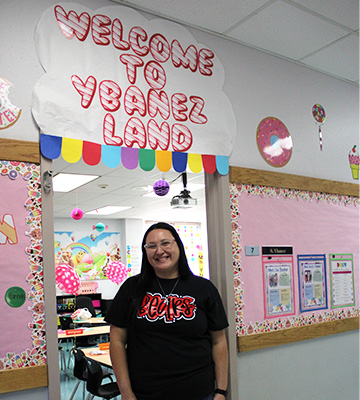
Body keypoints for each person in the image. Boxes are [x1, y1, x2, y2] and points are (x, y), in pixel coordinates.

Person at [105, 222, 229, 400]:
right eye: (151, 246)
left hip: (199, 392)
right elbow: (117, 341)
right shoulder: (132, 288)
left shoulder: (203, 288)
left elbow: (219, 342)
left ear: (178, 245)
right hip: (145, 393)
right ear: (145, 251)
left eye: (165, 243)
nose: (159, 251)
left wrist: (221, 391)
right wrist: (126, 392)